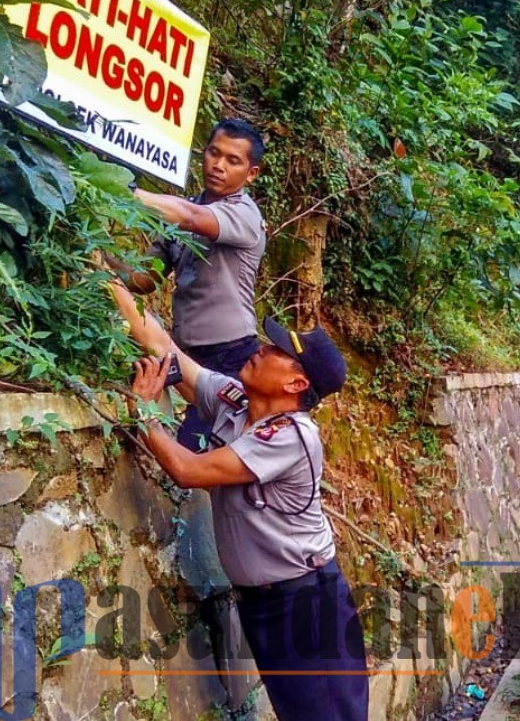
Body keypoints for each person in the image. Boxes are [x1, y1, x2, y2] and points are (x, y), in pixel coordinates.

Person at [109, 278, 368, 721]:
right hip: (265, 602)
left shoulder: (291, 437)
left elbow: (189, 471)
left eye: (276, 352)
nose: (261, 349)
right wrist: (106, 276)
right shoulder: (234, 400)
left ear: (296, 383)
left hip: (306, 604)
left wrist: (145, 412)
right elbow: (162, 344)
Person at [116, 118, 266, 452]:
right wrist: (102, 259)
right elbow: (144, 280)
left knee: (196, 450)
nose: (219, 165)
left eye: (233, 160)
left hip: (230, 355)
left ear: (251, 174)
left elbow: (192, 218)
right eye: (214, 153)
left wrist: (121, 190)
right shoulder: (182, 211)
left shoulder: (244, 214)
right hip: (185, 352)